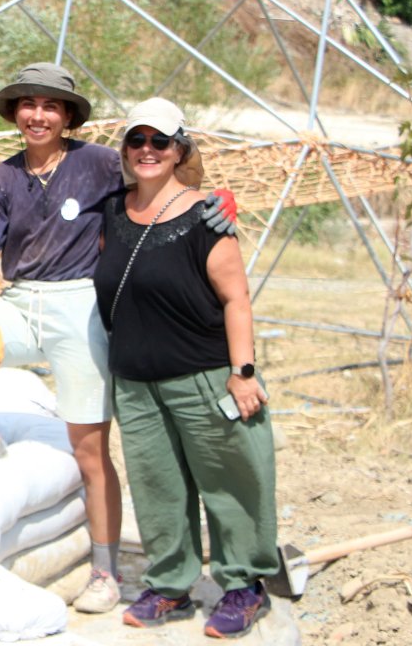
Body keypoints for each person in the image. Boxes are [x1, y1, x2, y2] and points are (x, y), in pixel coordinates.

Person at [0, 63, 236, 615]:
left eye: (51, 106)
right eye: (28, 105)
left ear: (67, 115)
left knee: (89, 450)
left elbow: (158, 179)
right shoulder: (3, 177)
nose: (38, 115)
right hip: (22, 301)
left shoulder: (97, 163)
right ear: (15, 113)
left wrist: (211, 199)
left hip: (81, 307)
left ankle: (105, 568)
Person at [92, 98, 275, 639]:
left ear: (178, 151)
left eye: (160, 141)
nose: (147, 150)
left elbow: (236, 299)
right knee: (157, 487)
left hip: (202, 376)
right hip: (135, 382)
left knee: (231, 482)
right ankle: (170, 584)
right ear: (125, 150)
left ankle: (244, 586)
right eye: (137, 140)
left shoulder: (205, 215)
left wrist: (243, 370)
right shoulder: (111, 211)